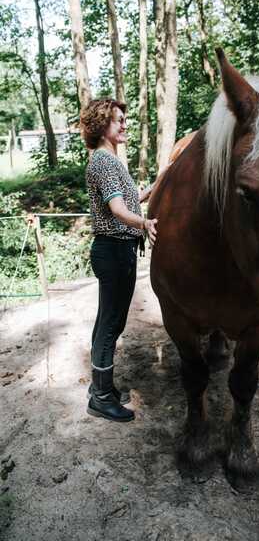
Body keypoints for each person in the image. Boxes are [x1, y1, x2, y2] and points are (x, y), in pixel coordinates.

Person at [80, 98, 157, 423]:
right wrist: (146, 223)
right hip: (114, 250)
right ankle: (100, 398)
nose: (125, 124)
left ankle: (102, 386)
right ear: (102, 126)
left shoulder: (108, 161)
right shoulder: (104, 162)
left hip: (113, 249)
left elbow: (127, 201)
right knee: (111, 324)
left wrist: (156, 185)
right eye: (119, 120)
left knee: (108, 321)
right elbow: (118, 211)